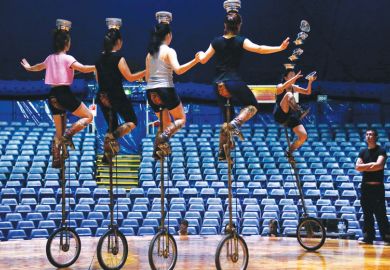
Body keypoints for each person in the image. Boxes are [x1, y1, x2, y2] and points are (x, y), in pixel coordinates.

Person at [196, 11, 289, 161]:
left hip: (217, 83)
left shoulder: (216, 41)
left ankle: (222, 151)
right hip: (233, 81)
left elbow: (203, 60)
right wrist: (279, 48)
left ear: (225, 25)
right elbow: (259, 48)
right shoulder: (241, 40)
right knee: (252, 105)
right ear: (239, 25)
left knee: (227, 117)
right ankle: (236, 123)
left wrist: (200, 55)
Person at [21, 19, 95, 168]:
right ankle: (69, 135)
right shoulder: (68, 58)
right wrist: (98, 66)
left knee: (58, 133)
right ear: (67, 43)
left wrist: (29, 68)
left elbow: (37, 67)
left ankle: (57, 158)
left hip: (52, 96)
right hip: (64, 93)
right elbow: (84, 69)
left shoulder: (50, 58)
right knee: (89, 116)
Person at [145, 12, 199, 159]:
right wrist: (195, 60)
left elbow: (147, 77)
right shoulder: (169, 51)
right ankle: (163, 138)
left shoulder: (150, 54)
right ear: (168, 35)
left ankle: (157, 148)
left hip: (151, 91)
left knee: (164, 124)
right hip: (165, 88)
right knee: (181, 119)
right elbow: (179, 70)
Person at [95, 18, 145, 162]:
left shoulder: (99, 59)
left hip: (103, 96)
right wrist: (145, 72)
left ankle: (107, 155)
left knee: (112, 125)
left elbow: (98, 80)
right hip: (116, 95)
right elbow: (130, 78)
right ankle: (113, 137)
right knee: (132, 121)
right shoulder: (118, 58)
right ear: (117, 42)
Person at [273, 66, 316, 160]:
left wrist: (310, 82)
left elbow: (307, 92)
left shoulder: (294, 87)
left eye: (295, 75)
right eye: (291, 76)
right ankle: (300, 111)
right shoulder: (280, 86)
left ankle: (289, 151)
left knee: (303, 136)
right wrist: (295, 77)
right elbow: (284, 86)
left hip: (290, 116)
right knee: (289, 94)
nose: (294, 77)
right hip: (280, 114)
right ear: (285, 78)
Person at [355, 129, 390, 244]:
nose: (369, 136)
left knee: (380, 213)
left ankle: (387, 237)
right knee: (367, 213)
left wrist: (365, 166)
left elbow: (379, 166)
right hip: (365, 187)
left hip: (377, 187)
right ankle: (368, 237)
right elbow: (357, 167)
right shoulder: (362, 152)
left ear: (376, 137)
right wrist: (371, 165)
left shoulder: (381, 150)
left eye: (371, 134)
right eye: (367, 134)